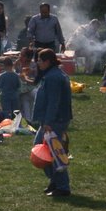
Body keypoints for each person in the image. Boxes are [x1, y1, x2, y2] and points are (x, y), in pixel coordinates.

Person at [32, 49, 73, 197]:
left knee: (52, 153)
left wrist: (48, 122)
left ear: (47, 61)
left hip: (54, 121)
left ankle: (62, 186)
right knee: (43, 150)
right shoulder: (52, 74)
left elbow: (53, 102)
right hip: (53, 120)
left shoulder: (53, 77)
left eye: (40, 60)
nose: (38, 63)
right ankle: (54, 181)